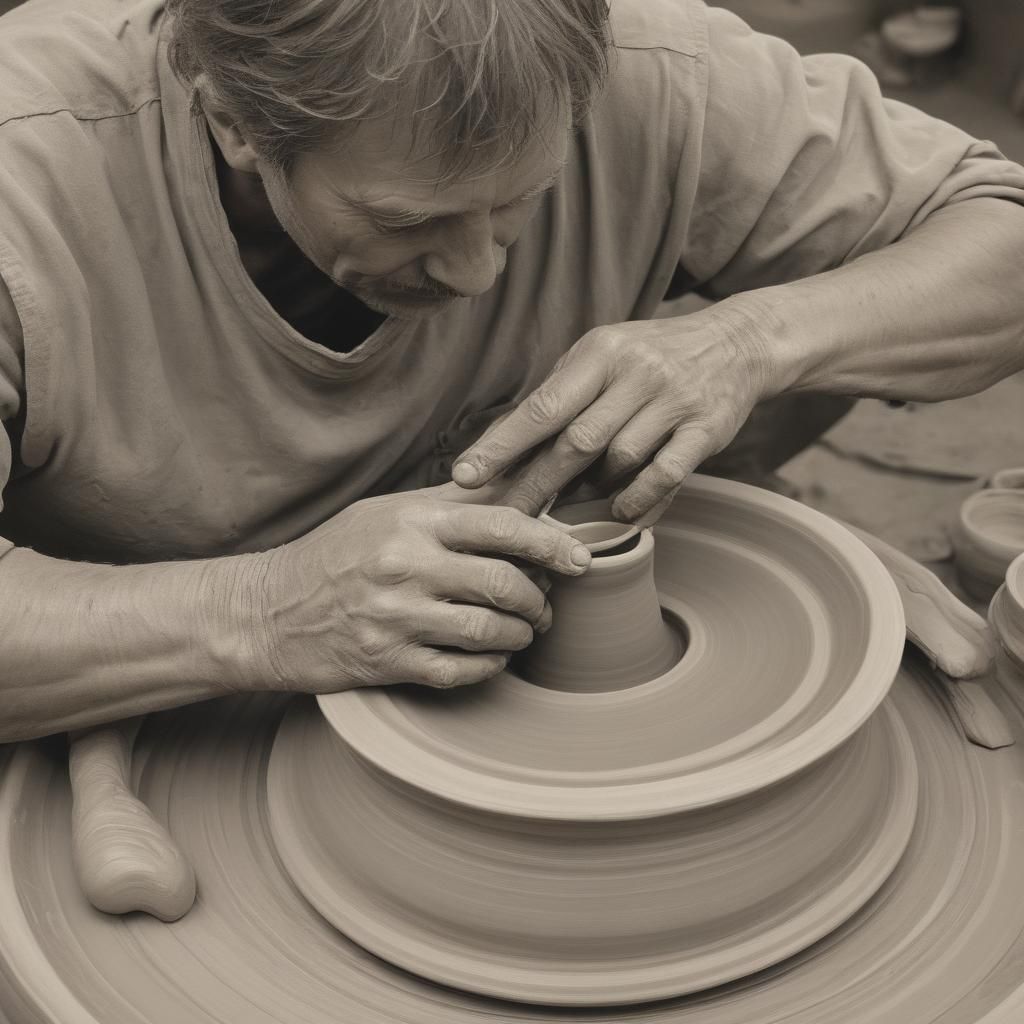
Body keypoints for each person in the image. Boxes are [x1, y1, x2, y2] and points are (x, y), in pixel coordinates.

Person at [1, 0, 1022, 744]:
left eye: (517, 200)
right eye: (409, 221)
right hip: (147, 698)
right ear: (231, 117)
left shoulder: (650, 65)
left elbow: (999, 235)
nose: (478, 268)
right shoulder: (27, 177)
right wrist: (264, 609)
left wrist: (745, 339)